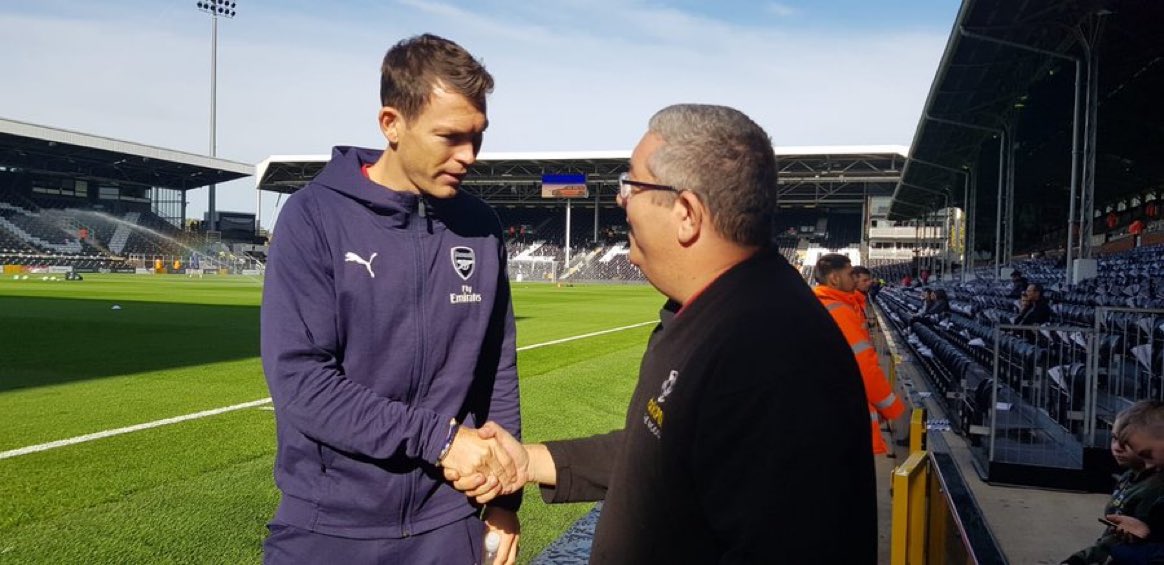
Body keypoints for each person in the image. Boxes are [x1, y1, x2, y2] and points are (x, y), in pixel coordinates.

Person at [453, 104, 878, 563]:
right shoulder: (709, 312)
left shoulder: (772, 357)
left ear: (686, 213)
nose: (620, 199)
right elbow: (658, 452)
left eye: (631, 184)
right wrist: (531, 462)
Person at [260, 34, 523, 565]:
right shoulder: (314, 217)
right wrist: (442, 440)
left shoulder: (481, 226)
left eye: (478, 137)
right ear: (391, 124)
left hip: (446, 524)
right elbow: (300, 382)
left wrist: (504, 495)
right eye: (450, 137)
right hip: (328, 524)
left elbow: (496, 369)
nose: (469, 156)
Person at [814, 253, 907, 456]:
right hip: (844, 417)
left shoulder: (828, 305)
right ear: (834, 279)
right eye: (850, 274)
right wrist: (893, 408)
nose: (855, 279)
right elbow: (864, 366)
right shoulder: (840, 311)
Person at [1062, 408, 1164, 565]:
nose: (1149, 465)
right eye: (1114, 439)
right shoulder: (1129, 477)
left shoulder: (1154, 490)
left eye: (1147, 454)